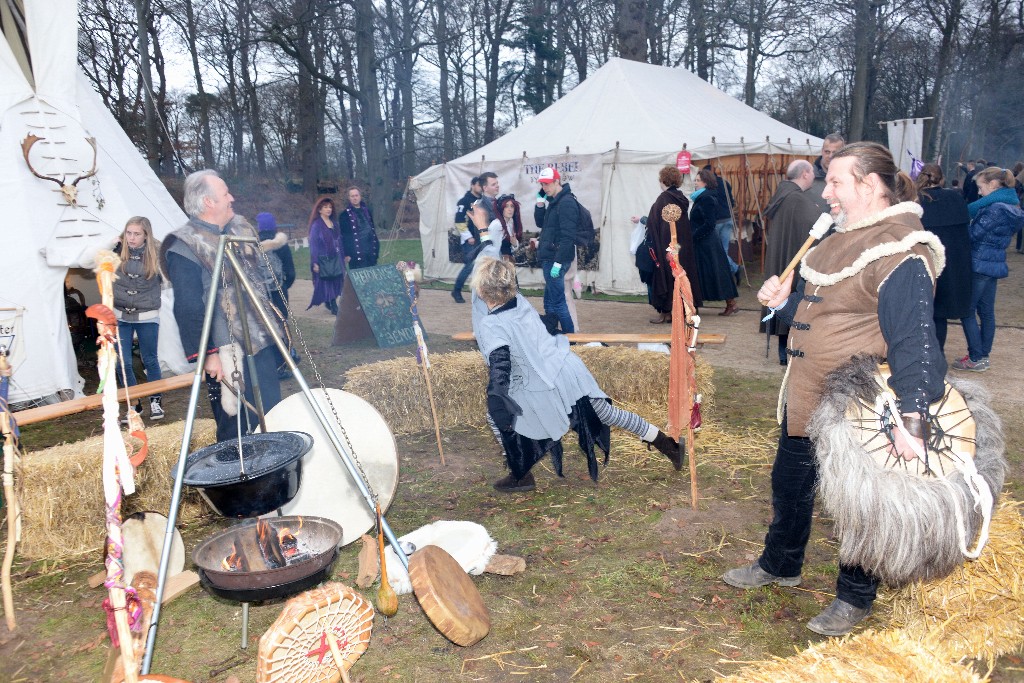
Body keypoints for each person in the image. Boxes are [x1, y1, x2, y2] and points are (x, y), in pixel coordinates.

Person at [722, 142, 947, 637]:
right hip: (807, 397)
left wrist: (912, 419)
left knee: (857, 505)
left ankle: (855, 597)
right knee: (790, 486)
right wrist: (784, 304)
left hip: (856, 408)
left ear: (869, 185)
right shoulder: (842, 237)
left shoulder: (899, 248)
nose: (828, 192)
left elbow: (914, 339)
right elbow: (825, 315)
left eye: (837, 181)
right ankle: (781, 564)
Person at [470, 256, 681, 492]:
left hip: (546, 382)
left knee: (495, 418)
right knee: (607, 414)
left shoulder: (492, 324)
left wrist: (498, 399)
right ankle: (668, 444)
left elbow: (500, 364)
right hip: (569, 369)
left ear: (480, 290)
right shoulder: (519, 302)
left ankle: (521, 474)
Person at [161, 170, 283, 443]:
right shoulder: (185, 245)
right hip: (226, 352)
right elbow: (188, 307)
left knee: (273, 416)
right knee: (236, 430)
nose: (232, 198)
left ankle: (277, 480)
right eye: (225, 193)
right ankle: (239, 484)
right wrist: (208, 355)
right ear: (208, 202)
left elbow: (262, 279)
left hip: (259, 343)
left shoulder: (239, 230)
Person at [952, 167, 1024, 371]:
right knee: (986, 312)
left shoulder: (994, 209)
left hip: (979, 263)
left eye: (981, 187)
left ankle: (976, 356)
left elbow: (973, 235)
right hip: (993, 264)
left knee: (967, 311)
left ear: (993, 185)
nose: (980, 192)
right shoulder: (1011, 207)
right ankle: (982, 355)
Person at [760, 160, 822, 364]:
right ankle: (785, 354)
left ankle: (783, 353)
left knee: (784, 299)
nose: (814, 175)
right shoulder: (797, 199)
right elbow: (818, 230)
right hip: (794, 261)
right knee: (789, 300)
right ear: (805, 174)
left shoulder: (784, 195)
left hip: (785, 257)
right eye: (812, 172)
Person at [632, 165, 702, 324]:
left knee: (666, 276)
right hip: (680, 248)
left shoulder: (663, 199)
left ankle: (667, 311)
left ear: (663, 180)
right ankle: (678, 310)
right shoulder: (682, 199)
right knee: (678, 275)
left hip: (666, 247)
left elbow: (654, 223)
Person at [113, 216, 164, 422]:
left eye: (137, 234)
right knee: (122, 363)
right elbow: (90, 259)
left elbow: (171, 277)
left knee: (149, 359)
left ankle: (156, 401)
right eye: (128, 233)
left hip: (147, 315)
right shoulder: (116, 251)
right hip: (120, 315)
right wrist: (110, 242)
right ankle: (134, 405)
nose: (131, 238)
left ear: (146, 235)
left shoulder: (156, 254)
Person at [915, 164, 971, 352]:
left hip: (923, 265)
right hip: (950, 265)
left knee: (919, 313)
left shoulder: (917, 201)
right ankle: (937, 355)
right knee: (939, 315)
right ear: (942, 179)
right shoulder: (955, 198)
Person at [532, 167, 579, 333]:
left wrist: (558, 263)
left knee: (558, 303)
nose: (544, 187)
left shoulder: (566, 202)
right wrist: (539, 203)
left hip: (556, 259)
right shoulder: (554, 201)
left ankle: (572, 340)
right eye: (542, 184)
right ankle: (553, 333)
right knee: (550, 302)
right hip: (550, 257)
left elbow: (568, 237)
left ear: (557, 181)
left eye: (547, 184)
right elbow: (541, 224)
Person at [690, 168, 739, 316]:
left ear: (706, 182)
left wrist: (694, 235)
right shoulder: (702, 197)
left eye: (698, 180)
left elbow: (710, 223)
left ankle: (730, 303)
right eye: (696, 180)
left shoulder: (707, 198)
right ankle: (696, 305)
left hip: (706, 242)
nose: (695, 183)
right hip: (704, 241)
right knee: (708, 273)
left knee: (716, 272)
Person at [307, 196, 345, 315]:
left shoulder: (335, 223)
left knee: (337, 279)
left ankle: (329, 301)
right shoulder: (316, 226)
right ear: (319, 210)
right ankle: (333, 306)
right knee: (328, 281)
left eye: (330, 207)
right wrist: (315, 262)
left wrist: (343, 256)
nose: (328, 209)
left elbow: (339, 240)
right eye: (325, 207)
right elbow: (313, 244)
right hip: (324, 258)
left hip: (336, 257)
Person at [704, 164, 740, 282]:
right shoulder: (725, 182)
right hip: (727, 219)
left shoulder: (709, 186)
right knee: (723, 250)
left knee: (717, 251)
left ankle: (734, 269)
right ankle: (729, 272)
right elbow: (731, 201)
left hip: (717, 220)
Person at [451, 177, 483, 303]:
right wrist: (468, 237)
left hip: (481, 239)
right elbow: (458, 220)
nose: (481, 188)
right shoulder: (464, 201)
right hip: (470, 240)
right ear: (473, 185)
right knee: (470, 265)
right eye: (479, 185)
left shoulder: (482, 201)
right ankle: (457, 290)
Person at [255, 212, 295, 311]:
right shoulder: (281, 243)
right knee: (282, 320)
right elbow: (291, 273)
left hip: (260, 290)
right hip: (279, 289)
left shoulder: (253, 244)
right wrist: (284, 285)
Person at [338, 186, 380, 269]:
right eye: (352, 196)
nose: (355, 198)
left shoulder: (367, 211)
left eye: (356, 195)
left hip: (370, 252)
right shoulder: (344, 215)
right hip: (356, 255)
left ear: (360, 196)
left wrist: (376, 247)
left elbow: (372, 230)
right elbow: (344, 236)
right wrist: (347, 254)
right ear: (349, 198)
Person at [809, 134, 846, 213]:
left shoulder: (850, 179)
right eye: (827, 152)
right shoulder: (807, 178)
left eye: (835, 153)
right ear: (822, 151)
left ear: (843, 153)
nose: (830, 156)